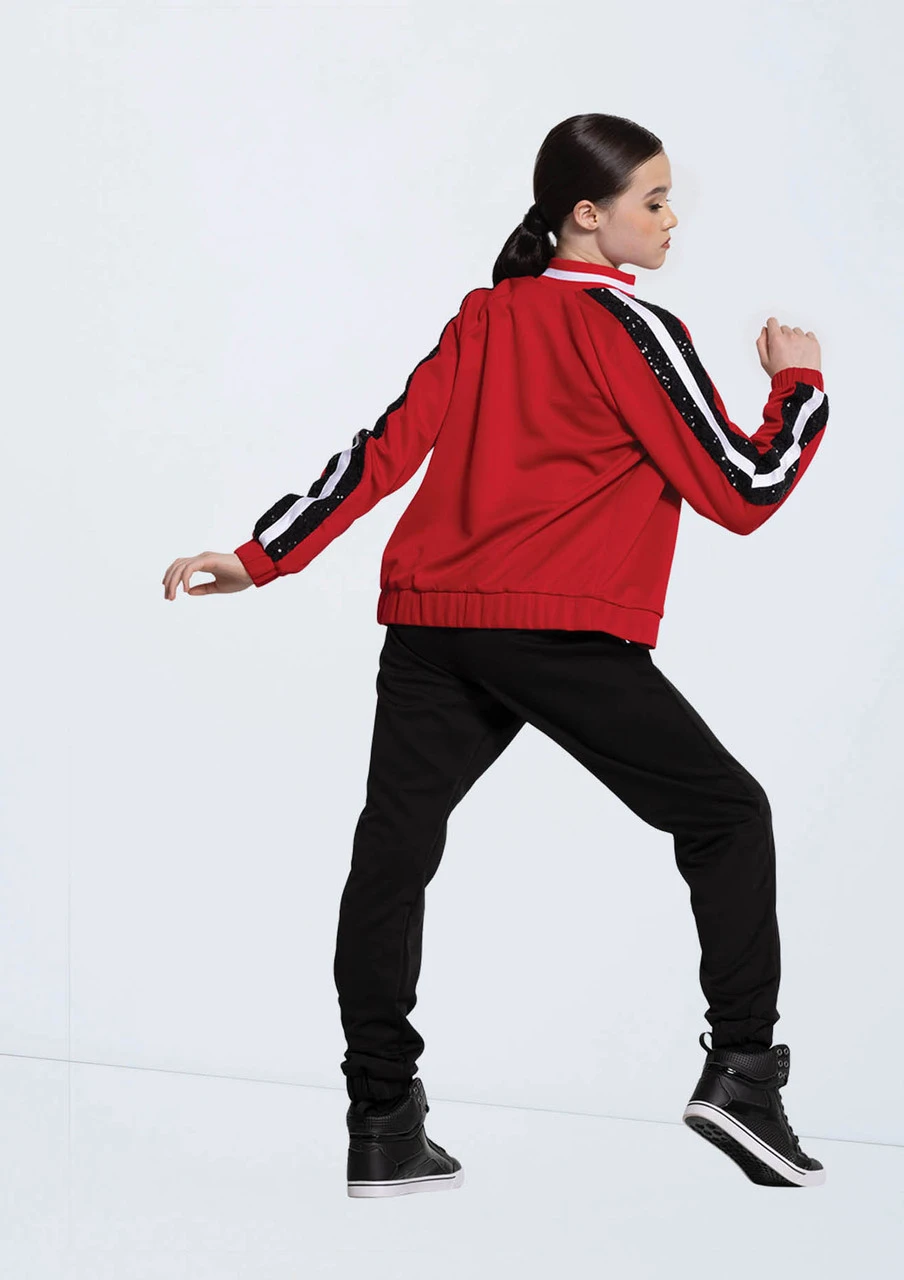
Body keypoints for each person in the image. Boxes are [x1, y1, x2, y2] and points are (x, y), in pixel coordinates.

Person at [161, 113, 829, 1196]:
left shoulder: (484, 314)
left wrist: (260, 555)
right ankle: (743, 1074)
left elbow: (377, 454)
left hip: (432, 625)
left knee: (393, 853)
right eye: (654, 200)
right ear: (587, 215)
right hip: (551, 629)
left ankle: (383, 1118)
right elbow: (742, 490)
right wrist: (800, 388)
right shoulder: (633, 326)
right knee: (728, 814)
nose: (672, 220)